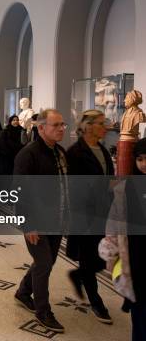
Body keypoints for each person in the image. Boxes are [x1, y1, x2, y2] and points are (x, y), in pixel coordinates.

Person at [13, 109, 69, 333]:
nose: (61, 129)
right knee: (44, 263)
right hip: (36, 219)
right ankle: (43, 311)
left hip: (57, 218)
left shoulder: (59, 152)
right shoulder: (28, 154)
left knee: (47, 261)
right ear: (41, 128)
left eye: (63, 124)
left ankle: (24, 292)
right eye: (56, 125)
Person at [66, 109, 114, 324]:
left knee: (100, 256)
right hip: (84, 213)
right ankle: (96, 301)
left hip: (102, 211)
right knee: (89, 256)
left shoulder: (102, 150)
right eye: (102, 123)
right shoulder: (75, 153)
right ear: (89, 126)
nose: (106, 126)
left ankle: (78, 275)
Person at [99, 138, 146, 340]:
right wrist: (111, 251)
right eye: (140, 159)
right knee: (140, 316)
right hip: (137, 260)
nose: (144, 164)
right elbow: (115, 222)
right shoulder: (127, 188)